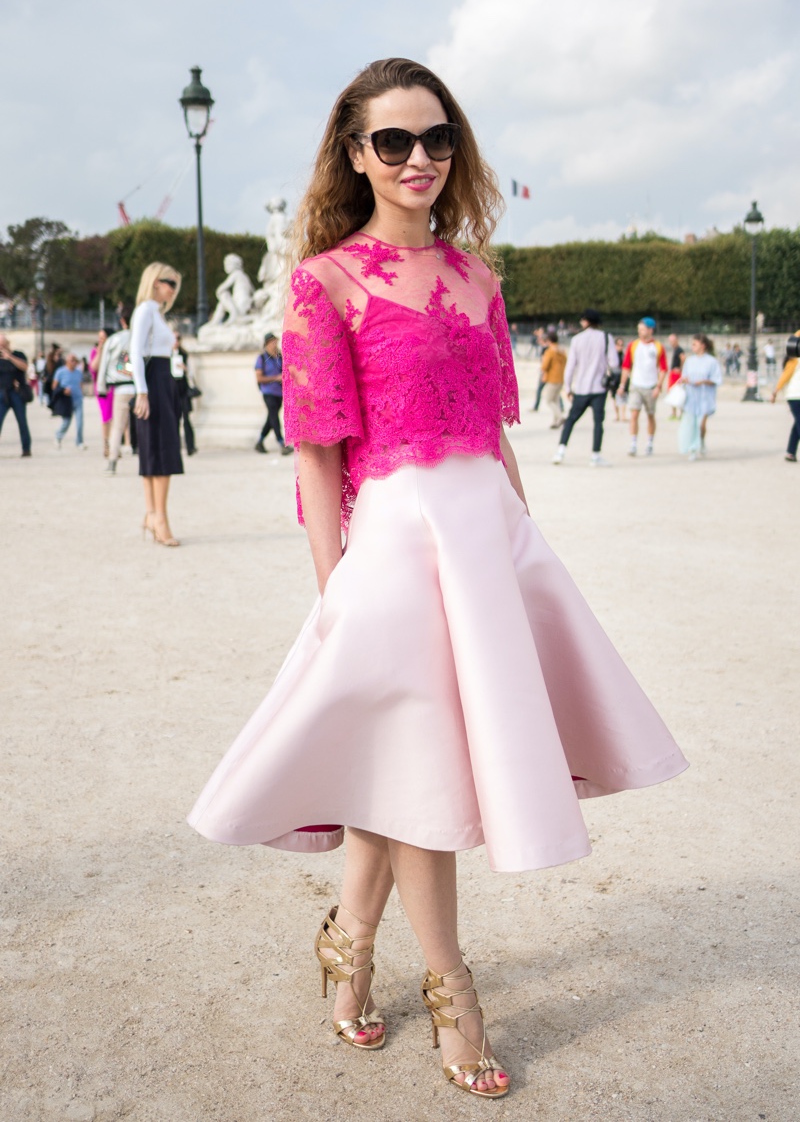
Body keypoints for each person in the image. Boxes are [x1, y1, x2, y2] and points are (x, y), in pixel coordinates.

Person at [187, 57, 687, 1101]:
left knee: (410, 764)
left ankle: (347, 942)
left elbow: (497, 436)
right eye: (393, 142)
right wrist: (334, 595)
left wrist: (524, 549)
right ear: (355, 155)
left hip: (486, 541)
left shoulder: (478, 276)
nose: (419, 159)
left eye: (436, 139)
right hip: (394, 548)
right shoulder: (323, 281)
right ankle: (452, 989)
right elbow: (317, 454)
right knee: (424, 774)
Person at [130, 264, 183, 546]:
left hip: (160, 380)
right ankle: (158, 516)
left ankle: (153, 514)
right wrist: (142, 391)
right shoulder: (146, 310)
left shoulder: (154, 312)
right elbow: (135, 353)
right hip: (155, 381)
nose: (173, 289)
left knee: (155, 449)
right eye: (169, 283)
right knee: (161, 449)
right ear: (154, 282)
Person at [552, 308, 618, 466]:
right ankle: (595, 455)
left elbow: (570, 367)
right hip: (599, 388)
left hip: (581, 387)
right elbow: (614, 363)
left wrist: (568, 387)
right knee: (598, 422)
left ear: (586, 321)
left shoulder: (577, 339)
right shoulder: (606, 338)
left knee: (571, 420)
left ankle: (560, 451)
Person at [619, 318, 667, 457]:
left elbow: (663, 369)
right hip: (636, 384)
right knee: (634, 414)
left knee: (650, 415)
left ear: (650, 330)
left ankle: (650, 443)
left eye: (642, 329)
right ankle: (633, 443)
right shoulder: (633, 345)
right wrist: (622, 385)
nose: (639, 332)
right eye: (639, 329)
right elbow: (626, 366)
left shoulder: (658, 347)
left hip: (651, 385)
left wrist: (658, 385)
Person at [98, 304, 136, 476]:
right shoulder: (142, 338)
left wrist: (102, 387)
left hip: (121, 387)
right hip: (140, 387)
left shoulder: (114, 340)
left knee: (117, 426)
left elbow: (105, 364)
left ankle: (112, 461)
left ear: (122, 321)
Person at [678, 335, 723, 460]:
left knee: (700, 424)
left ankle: (699, 442)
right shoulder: (689, 360)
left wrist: (703, 381)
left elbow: (716, 379)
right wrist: (685, 380)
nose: (692, 347)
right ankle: (693, 447)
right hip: (691, 396)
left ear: (703, 346)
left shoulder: (712, 361)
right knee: (690, 423)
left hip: (704, 396)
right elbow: (684, 376)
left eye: (695, 344)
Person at [254, 333, 292, 455]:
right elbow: (259, 378)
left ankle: (260, 442)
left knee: (271, 418)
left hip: (279, 392)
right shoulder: (261, 358)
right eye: (272, 342)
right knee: (274, 416)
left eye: (275, 342)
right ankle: (281, 443)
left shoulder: (279, 357)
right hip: (268, 391)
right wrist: (276, 378)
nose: (274, 344)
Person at [770, 329, 800, 462]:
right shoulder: (794, 361)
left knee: (797, 424)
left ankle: (790, 452)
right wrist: (775, 391)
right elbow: (785, 377)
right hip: (795, 396)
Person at [0, 335, 32, 457]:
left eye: (3, 345)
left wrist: (9, 357)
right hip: (2, 393)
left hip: (17, 393)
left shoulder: (18, 354)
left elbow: (24, 367)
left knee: (22, 422)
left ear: (8, 343)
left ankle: (26, 449)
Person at [52, 353, 87, 450]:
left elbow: (80, 384)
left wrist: (82, 393)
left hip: (78, 399)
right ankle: (58, 436)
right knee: (66, 422)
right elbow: (54, 386)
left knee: (80, 422)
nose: (74, 363)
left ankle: (79, 441)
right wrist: (64, 390)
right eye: (72, 360)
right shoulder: (60, 372)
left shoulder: (78, 372)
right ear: (67, 361)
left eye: (75, 361)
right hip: (66, 400)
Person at [89, 328, 115, 457]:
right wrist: (100, 352)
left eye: (103, 338)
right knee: (106, 417)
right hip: (102, 388)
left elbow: (125, 369)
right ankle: (107, 445)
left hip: (116, 386)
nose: (100, 340)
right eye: (99, 338)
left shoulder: (117, 349)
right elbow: (93, 367)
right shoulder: (95, 351)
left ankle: (116, 444)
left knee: (117, 418)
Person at [171, 335, 196, 456]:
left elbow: (192, 373)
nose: (176, 341)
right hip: (171, 391)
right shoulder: (166, 355)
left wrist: (185, 369)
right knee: (174, 420)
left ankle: (190, 446)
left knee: (186, 419)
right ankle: (175, 446)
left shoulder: (185, 355)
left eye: (178, 338)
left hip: (183, 390)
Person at [539, 327, 566, 428]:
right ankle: (555, 422)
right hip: (560, 377)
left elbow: (545, 365)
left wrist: (542, 371)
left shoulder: (550, 351)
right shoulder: (562, 350)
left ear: (549, 341)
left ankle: (560, 417)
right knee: (556, 400)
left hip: (552, 378)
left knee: (549, 400)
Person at [666, 333, 685, 419]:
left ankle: (679, 413)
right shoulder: (675, 349)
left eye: (672, 341)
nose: (671, 342)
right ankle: (674, 413)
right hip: (673, 373)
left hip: (676, 374)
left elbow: (683, 358)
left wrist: (681, 368)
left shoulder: (679, 350)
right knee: (672, 393)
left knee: (677, 392)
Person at [611, 337, 628, 421]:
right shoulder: (612, 356)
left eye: (622, 345)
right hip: (614, 376)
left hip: (623, 376)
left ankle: (623, 415)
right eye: (618, 345)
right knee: (614, 396)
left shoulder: (625, 356)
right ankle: (617, 414)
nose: (620, 347)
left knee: (624, 395)